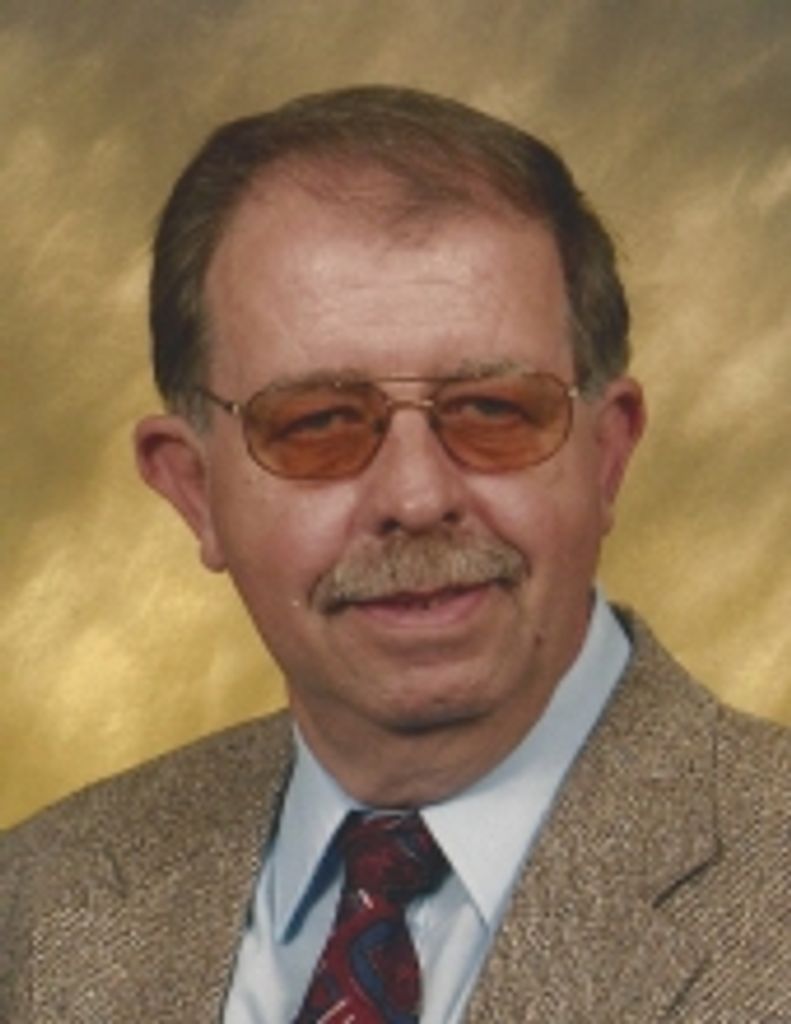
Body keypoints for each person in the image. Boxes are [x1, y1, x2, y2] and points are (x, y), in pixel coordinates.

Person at [1, 85, 788, 1023]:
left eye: (493, 410)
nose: (416, 499)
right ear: (193, 489)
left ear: (606, 455)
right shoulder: (37, 911)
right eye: (318, 424)